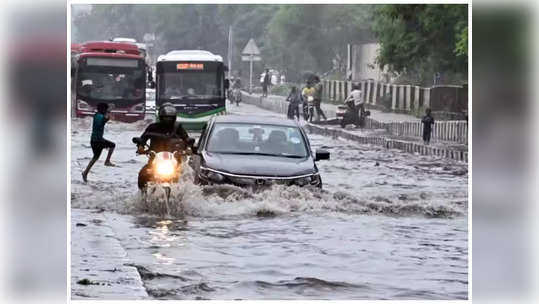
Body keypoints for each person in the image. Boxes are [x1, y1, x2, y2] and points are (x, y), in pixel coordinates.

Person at [136, 103, 192, 189]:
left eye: (170, 117)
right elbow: (143, 139)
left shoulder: (178, 127)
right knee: (143, 175)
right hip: (155, 158)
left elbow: (186, 139)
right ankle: (143, 196)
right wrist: (141, 147)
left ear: (174, 118)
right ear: (161, 117)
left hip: (174, 159)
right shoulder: (152, 127)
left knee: (186, 176)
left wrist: (188, 148)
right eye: (166, 117)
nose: (168, 119)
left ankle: (184, 195)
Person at [82, 103, 116, 182]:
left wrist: (108, 113)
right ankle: (107, 161)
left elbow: (104, 120)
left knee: (95, 157)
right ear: (102, 109)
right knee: (112, 145)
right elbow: (103, 120)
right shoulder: (99, 116)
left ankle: (85, 173)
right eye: (105, 109)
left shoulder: (98, 115)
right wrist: (108, 113)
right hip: (97, 140)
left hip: (95, 140)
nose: (106, 111)